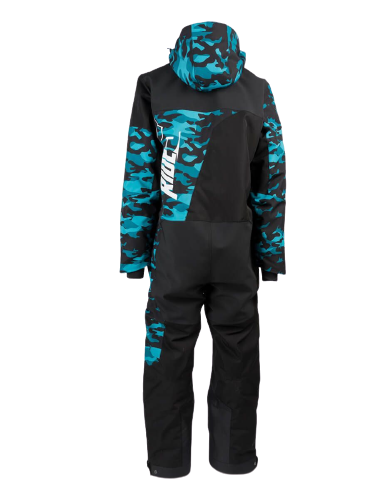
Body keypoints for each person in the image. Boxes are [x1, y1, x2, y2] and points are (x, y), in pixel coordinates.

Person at [120, 21, 286, 478]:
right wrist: (271, 257)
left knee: (166, 354)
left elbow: (139, 173)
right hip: (237, 248)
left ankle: (168, 463)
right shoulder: (258, 90)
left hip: (176, 248)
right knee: (238, 352)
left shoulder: (154, 85)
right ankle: (234, 460)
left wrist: (133, 256)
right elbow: (272, 180)